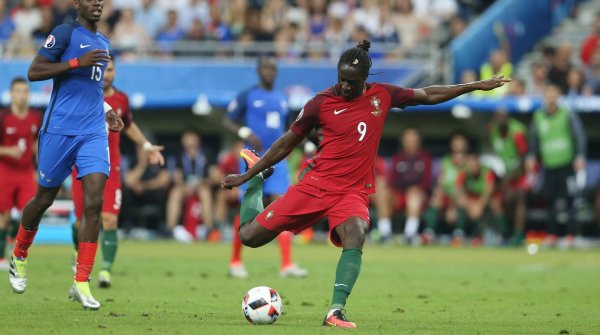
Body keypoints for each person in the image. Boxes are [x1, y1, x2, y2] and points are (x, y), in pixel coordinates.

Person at [222, 40, 509, 328]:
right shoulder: (319, 104)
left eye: (352, 82)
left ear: (365, 80)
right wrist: (249, 175)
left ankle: (335, 311)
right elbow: (287, 143)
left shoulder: (382, 95)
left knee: (356, 232)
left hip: (352, 191)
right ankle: (257, 183)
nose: (346, 86)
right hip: (316, 185)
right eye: (342, 80)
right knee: (249, 237)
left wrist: (474, 85)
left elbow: (429, 94)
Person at [9, 0, 124, 310]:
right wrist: (76, 63)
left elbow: (93, 89)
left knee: (94, 202)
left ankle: (82, 281)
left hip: (92, 132)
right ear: (77, 3)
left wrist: (109, 111)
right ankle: (19, 254)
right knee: (43, 199)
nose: (97, 3)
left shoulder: (103, 41)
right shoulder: (64, 33)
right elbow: (34, 71)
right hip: (59, 131)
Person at [70, 59, 164, 288]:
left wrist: (145, 145)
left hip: (111, 168)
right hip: (83, 166)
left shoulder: (121, 99)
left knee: (109, 219)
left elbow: (128, 124)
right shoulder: (82, 95)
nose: (106, 74)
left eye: (110, 69)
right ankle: (78, 255)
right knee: (80, 222)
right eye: (102, 70)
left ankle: (105, 270)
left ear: (115, 72)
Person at [223, 55, 308, 279]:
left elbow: (291, 126)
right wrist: (244, 132)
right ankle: (235, 261)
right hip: (254, 158)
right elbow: (228, 119)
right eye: (266, 68)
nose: (269, 71)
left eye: (273, 68)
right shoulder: (248, 95)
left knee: (283, 206)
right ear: (258, 71)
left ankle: (287, 264)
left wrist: (301, 144)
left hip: (278, 160)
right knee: (248, 208)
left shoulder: (282, 98)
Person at [526, 84, 586, 247]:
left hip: (566, 163)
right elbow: (533, 139)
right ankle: (551, 234)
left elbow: (578, 135)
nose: (551, 97)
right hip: (549, 164)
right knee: (550, 201)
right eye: (548, 94)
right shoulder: (539, 116)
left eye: (554, 94)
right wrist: (531, 156)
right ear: (544, 97)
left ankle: (571, 234)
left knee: (570, 200)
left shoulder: (567, 114)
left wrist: (580, 156)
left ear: (559, 96)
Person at [0, 78, 42, 271]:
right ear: (11, 94)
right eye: (18, 91)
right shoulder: (3, 118)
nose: (22, 95)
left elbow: (37, 145)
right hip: (5, 170)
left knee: (30, 213)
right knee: (4, 213)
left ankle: (18, 253)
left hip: (26, 172)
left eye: (25, 91)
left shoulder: (36, 117)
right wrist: (9, 151)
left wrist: (37, 166)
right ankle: (1, 255)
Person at [375, 128, 432, 243]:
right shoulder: (398, 158)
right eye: (408, 139)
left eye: (413, 139)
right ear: (403, 141)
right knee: (383, 194)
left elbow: (427, 182)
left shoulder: (425, 158)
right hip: (399, 195)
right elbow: (392, 181)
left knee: (414, 196)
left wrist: (417, 189)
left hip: (418, 196)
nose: (411, 142)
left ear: (419, 141)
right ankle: (385, 234)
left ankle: (409, 235)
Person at [488, 108, 528, 245]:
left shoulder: (516, 132)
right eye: (498, 117)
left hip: (522, 172)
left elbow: (524, 159)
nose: (501, 120)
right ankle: (507, 233)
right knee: (503, 200)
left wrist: (510, 177)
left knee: (520, 197)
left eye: (504, 117)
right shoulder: (492, 131)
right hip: (507, 174)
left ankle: (518, 234)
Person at [422, 132, 468, 243]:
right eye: (456, 143)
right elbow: (441, 180)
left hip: (463, 196)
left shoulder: (468, 163)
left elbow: (467, 185)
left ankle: (459, 234)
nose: (458, 146)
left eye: (461, 143)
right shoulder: (446, 160)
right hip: (447, 195)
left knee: (460, 196)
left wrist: (452, 205)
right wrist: (438, 190)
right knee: (436, 197)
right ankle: (428, 233)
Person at [166, 129, 213, 236]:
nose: (190, 141)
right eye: (187, 138)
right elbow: (176, 177)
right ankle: (170, 229)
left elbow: (214, 176)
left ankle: (208, 229)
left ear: (198, 140)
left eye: (192, 138)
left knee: (205, 192)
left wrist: (201, 183)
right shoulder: (179, 155)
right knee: (175, 193)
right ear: (183, 141)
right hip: (185, 187)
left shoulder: (207, 154)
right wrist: (184, 186)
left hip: (202, 186)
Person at [455, 152, 506, 246]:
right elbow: (458, 190)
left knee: (495, 205)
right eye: (470, 164)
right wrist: (469, 203)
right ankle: (460, 234)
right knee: (461, 202)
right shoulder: (464, 172)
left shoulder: (487, 172)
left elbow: (489, 191)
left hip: (491, 198)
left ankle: (504, 236)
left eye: (475, 164)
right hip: (473, 200)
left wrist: (479, 204)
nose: (473, 167)